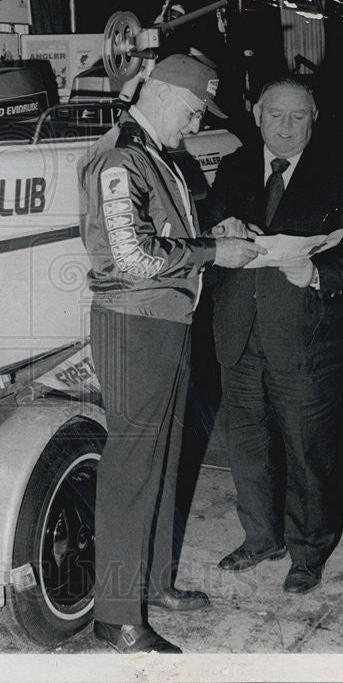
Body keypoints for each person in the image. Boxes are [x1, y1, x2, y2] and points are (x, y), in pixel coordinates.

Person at [78, 54, 265, 653]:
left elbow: (168, 227)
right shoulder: (119, 158)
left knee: (166, 459)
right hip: (134, 325)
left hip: (167, 320)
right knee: (133, 467)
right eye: (191, 109)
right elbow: (131, 259)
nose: (193, 122)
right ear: (159, 94)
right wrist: (213, 251)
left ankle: (152, 584)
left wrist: (220, 226)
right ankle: (116, 613)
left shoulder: (160, 155)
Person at [204, 76, 343, 595]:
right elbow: (209, 225)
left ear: (315, 117)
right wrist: (219, 230)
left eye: (299, 116)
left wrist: (320, 273)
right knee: (248, 445)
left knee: (309, 452)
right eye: (276, 114)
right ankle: (261, 538)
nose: (286, 126)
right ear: (255, 114)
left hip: (308, 338)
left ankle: (309, 550)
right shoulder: (232, 165)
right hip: (239, 332)